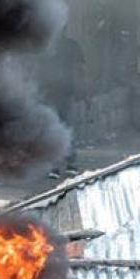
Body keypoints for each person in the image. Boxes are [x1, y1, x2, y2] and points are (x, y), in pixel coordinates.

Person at [39, 28, 85, 179]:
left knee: (56, 129)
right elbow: (80, 69)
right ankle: (69, 165)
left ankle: (57, 167)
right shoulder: (72, 45)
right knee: (67, 128)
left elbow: (41, 69)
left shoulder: (52, 46)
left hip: (58, 93)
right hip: (63, 92)